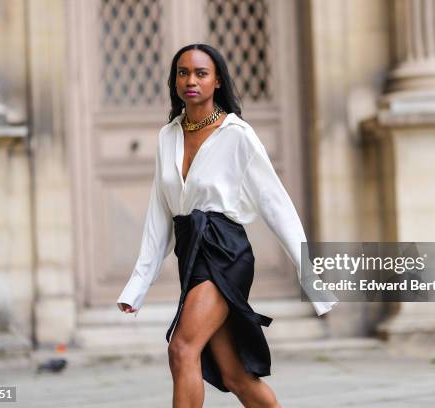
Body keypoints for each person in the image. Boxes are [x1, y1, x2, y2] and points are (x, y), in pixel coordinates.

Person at [116, 43, 337, 408]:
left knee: (182, 348)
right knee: (234, 376)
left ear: (217, 81)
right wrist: (138, 284)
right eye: (183, 73)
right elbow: (160, 212)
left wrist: (309, 278)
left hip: (225, 253)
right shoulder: (166, 136)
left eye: (201, 73)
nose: (191, 80)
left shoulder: (237, 135)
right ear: (174, 80)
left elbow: (276, 205)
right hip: (191, 252)